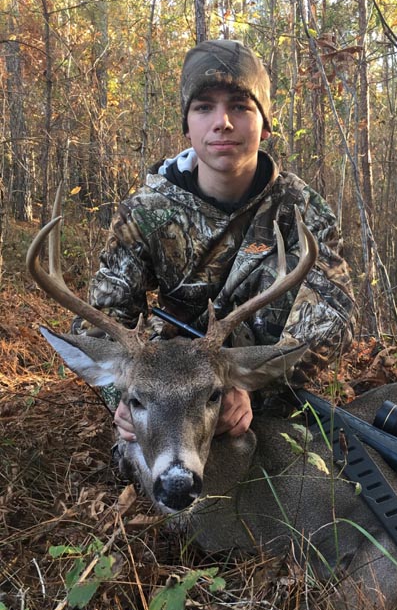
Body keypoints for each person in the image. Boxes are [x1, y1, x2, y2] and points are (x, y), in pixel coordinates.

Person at [74, 39, 355, 441]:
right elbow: (100, 322)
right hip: (167, 394)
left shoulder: (303, 211)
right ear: (187, 125)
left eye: (240, 107)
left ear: (265, 124)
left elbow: (333, 316)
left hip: (264, 393)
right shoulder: (146, 211)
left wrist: (249, 387)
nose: (222, 122)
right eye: (204, 107)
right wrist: (125, 395)